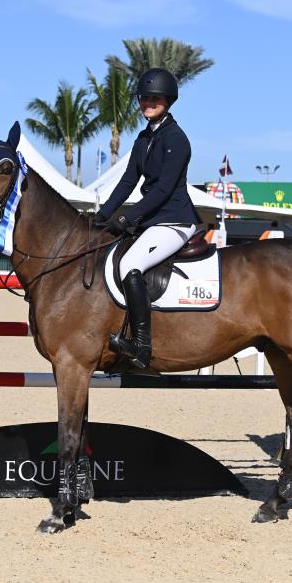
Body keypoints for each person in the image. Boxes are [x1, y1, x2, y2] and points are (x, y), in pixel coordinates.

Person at [93, 68, 202, 368]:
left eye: (154, 98)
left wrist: (129, 218)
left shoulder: (177, 139)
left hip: (174, 220)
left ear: (167, 100)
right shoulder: (143, 138)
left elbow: (165, 189)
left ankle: (141, 346)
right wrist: (102, 215)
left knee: (130, 264)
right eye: (144, 98)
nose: (147, 103)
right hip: (153, 220)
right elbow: (128, 181)